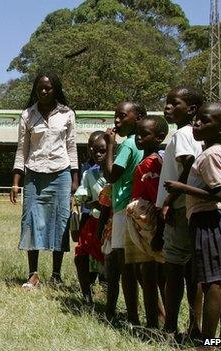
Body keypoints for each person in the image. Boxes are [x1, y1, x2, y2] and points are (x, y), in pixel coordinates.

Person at [9, 72, 79, 289]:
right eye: (40, 88)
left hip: (61, 173)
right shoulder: (27, 115)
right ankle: (33, 275)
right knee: (31, 221)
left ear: (55, 89)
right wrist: (16, 181)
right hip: (34, 174)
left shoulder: (67, 114)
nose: (44, 91)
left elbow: (72, 146)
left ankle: (56, 275)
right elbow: (22, 150)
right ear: (35, 89)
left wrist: (75, 178)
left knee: (60, 222)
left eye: (48, 88)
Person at [164, 102, 221, 341]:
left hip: (209, 219)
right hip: (210, 219)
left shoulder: (211, 154)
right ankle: (219, 340)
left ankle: (208, 342)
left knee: (211, 283)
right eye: (197, 118)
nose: (197, 123)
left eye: (206, 120)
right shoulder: (213, 151)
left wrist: (182, 188)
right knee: (219, 281)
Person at [155, 86, 204, 336]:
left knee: (174, 268)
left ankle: (171, 327)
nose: (168, 107)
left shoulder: (184, 134)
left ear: (192, 110)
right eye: (167, 102)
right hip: (187, 206)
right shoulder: (190, 134)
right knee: (189, 270)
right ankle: (194, 328)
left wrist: (169, 200)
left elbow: (188, 166)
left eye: (175, 104)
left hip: (178, 207)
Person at [102, 101, 145, 323]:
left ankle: (132, 316)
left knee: (124, 265)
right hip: (135, 207)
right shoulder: (140, 143)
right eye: (115, 116)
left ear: (137, 118)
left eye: (122, 116)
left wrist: (110, 145)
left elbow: (111, 175)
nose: (117, 120)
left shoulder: (128, 145)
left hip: (123, 210)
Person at [127, 115, 168, 328]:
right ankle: (155, 319)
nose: (139, 138)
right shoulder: (142, 163)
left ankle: (162, 322)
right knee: (143, 274)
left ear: (159, 137)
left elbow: (160, 199)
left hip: (157, 225)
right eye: (137, 134)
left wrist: (159, 231)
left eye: (144, 134)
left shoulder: (157, 163)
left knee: (155, 275)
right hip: (143, 225)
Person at [74, 133, 107, 303]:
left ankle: (109, 293)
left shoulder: (117, 173)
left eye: (103, 151)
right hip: (94, 221)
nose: (99, 155)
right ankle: (86, 293)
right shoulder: (89, 173)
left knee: (109, 260)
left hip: (111, 223)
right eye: (95, 152)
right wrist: (87, 199)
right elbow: (82, 192)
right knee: (81, 255)